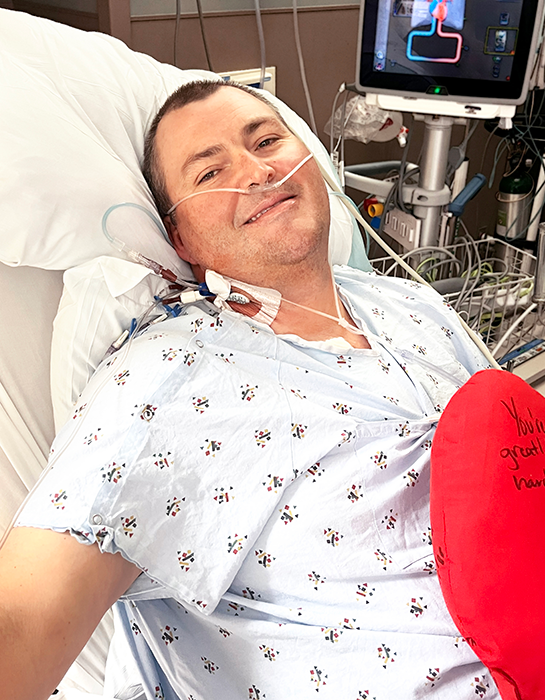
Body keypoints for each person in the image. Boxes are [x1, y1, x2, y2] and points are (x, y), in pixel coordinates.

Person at [0, 81, 497, 700]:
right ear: (180, 241)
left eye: (266, 141)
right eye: (210, 173)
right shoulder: (172, 375)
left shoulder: (408, 303)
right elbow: (18, 626)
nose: (256, 171)